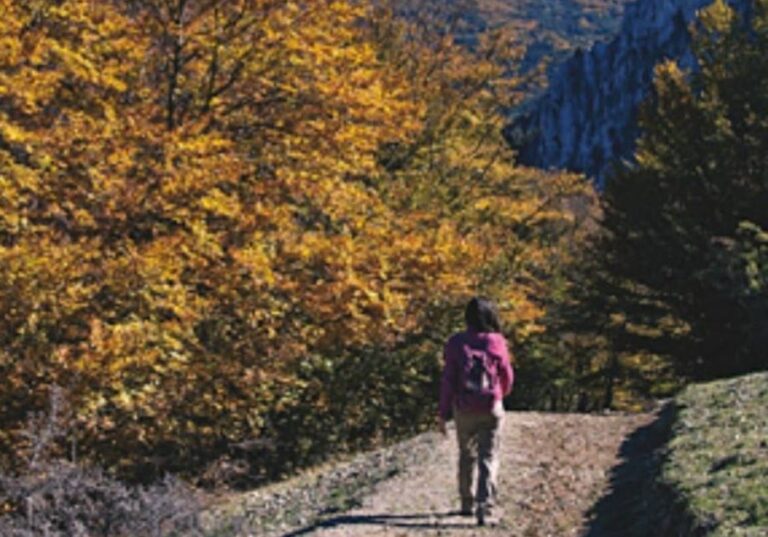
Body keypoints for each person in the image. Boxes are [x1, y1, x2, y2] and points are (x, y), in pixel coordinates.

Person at [438, 296, 514, 526]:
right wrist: (501, 393)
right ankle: (484, 506)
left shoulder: (455, 342)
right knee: (488, 455)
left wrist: (443, 413)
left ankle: (466, 503)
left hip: (463, 408)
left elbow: (448, 380)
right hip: (491, 406)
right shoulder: (496, 341)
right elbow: (507, 376)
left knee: (466, 454)